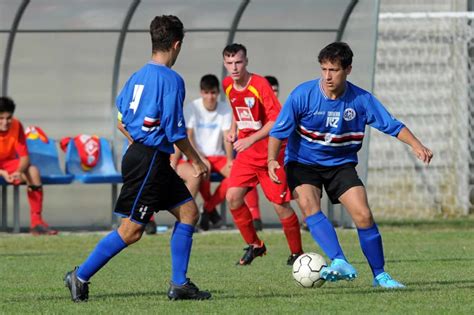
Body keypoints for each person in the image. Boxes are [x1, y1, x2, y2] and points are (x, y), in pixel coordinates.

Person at [64, 15, 211, 302]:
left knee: (189, 212)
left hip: (145, 156)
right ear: (177, 45)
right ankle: (79, 276)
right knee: (131, 231)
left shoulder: (137, 76)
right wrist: (196, 160)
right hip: (149, 161)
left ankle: (179, 284)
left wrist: (139, 143)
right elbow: (174, 130)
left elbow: (121, 120)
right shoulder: (171, 79)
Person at [268, 42, 433, 288]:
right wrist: (272, 159)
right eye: (323, 69)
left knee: (363, 215)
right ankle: (339, 260)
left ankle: (380, 276)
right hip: (303, 162)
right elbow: (279, 131)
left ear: (348, 70)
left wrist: (416, 144)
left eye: (333, 70)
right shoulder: (303, 95)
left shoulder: (361, 100)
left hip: (341, 164)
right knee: (308, 203)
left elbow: (392, 125)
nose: (327, 76)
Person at [222, 43, 303, 266]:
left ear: (246, 61)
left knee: (280, 206)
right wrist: (233, 129)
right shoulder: (227, 84)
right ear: (225, 64)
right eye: (229, 63)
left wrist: (249, 138)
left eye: (238, 62)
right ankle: (255, 245)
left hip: (271, 152)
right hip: (247, 154)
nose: (234, 67)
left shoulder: (260, 84)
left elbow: (275, 121)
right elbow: (235, 108)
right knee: (233, 197)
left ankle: (297, 253)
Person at [172, 74, 232, 231]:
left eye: (213, 93)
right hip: (197, 155)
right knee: (201, 172)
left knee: (237, 175)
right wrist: (200, 158)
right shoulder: (192, 108)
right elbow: (188, 136)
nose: (210, 97)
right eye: (206, 93)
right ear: (201, 93)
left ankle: (208, 207)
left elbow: (227, 138)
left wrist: (230, 159)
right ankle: (192, 216)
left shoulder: (225, 109)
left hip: (217, 155)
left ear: (218, 93)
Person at [0, 96, 57, 236]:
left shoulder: (16, 125)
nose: (5, 122)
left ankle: (36, 223)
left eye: (8, 118)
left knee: (33, 171)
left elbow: (25, 157)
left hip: (9, 164)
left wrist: (18, 171)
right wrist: (2, 173)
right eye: (1, 118)